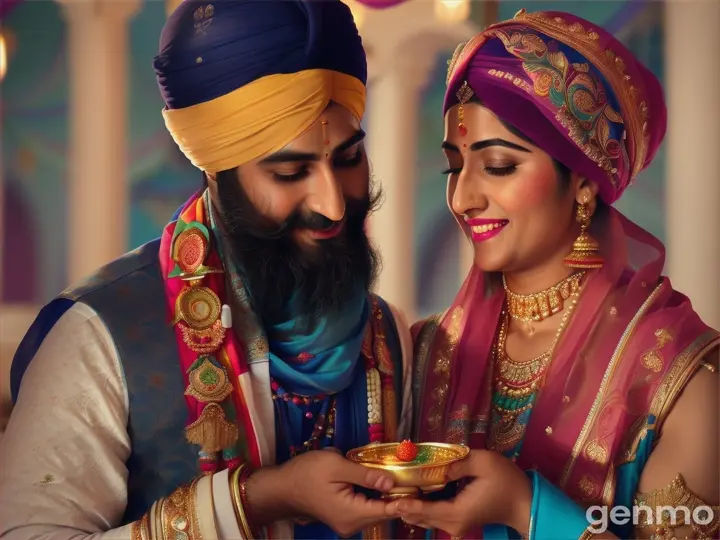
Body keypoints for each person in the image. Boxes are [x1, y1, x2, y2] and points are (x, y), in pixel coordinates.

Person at [0, 1, 414, 538]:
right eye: (291, 171)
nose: (334, 204)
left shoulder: (387, 336)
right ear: (219, 174)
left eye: (348, 159)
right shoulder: (100, 336)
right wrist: (255, 501)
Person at [393, 9, 719, 540]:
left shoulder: (678, 384)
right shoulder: (426, 354)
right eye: (455, 166)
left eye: (497, 165)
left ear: (584, 182)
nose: (463, 197)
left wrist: (527, 509)